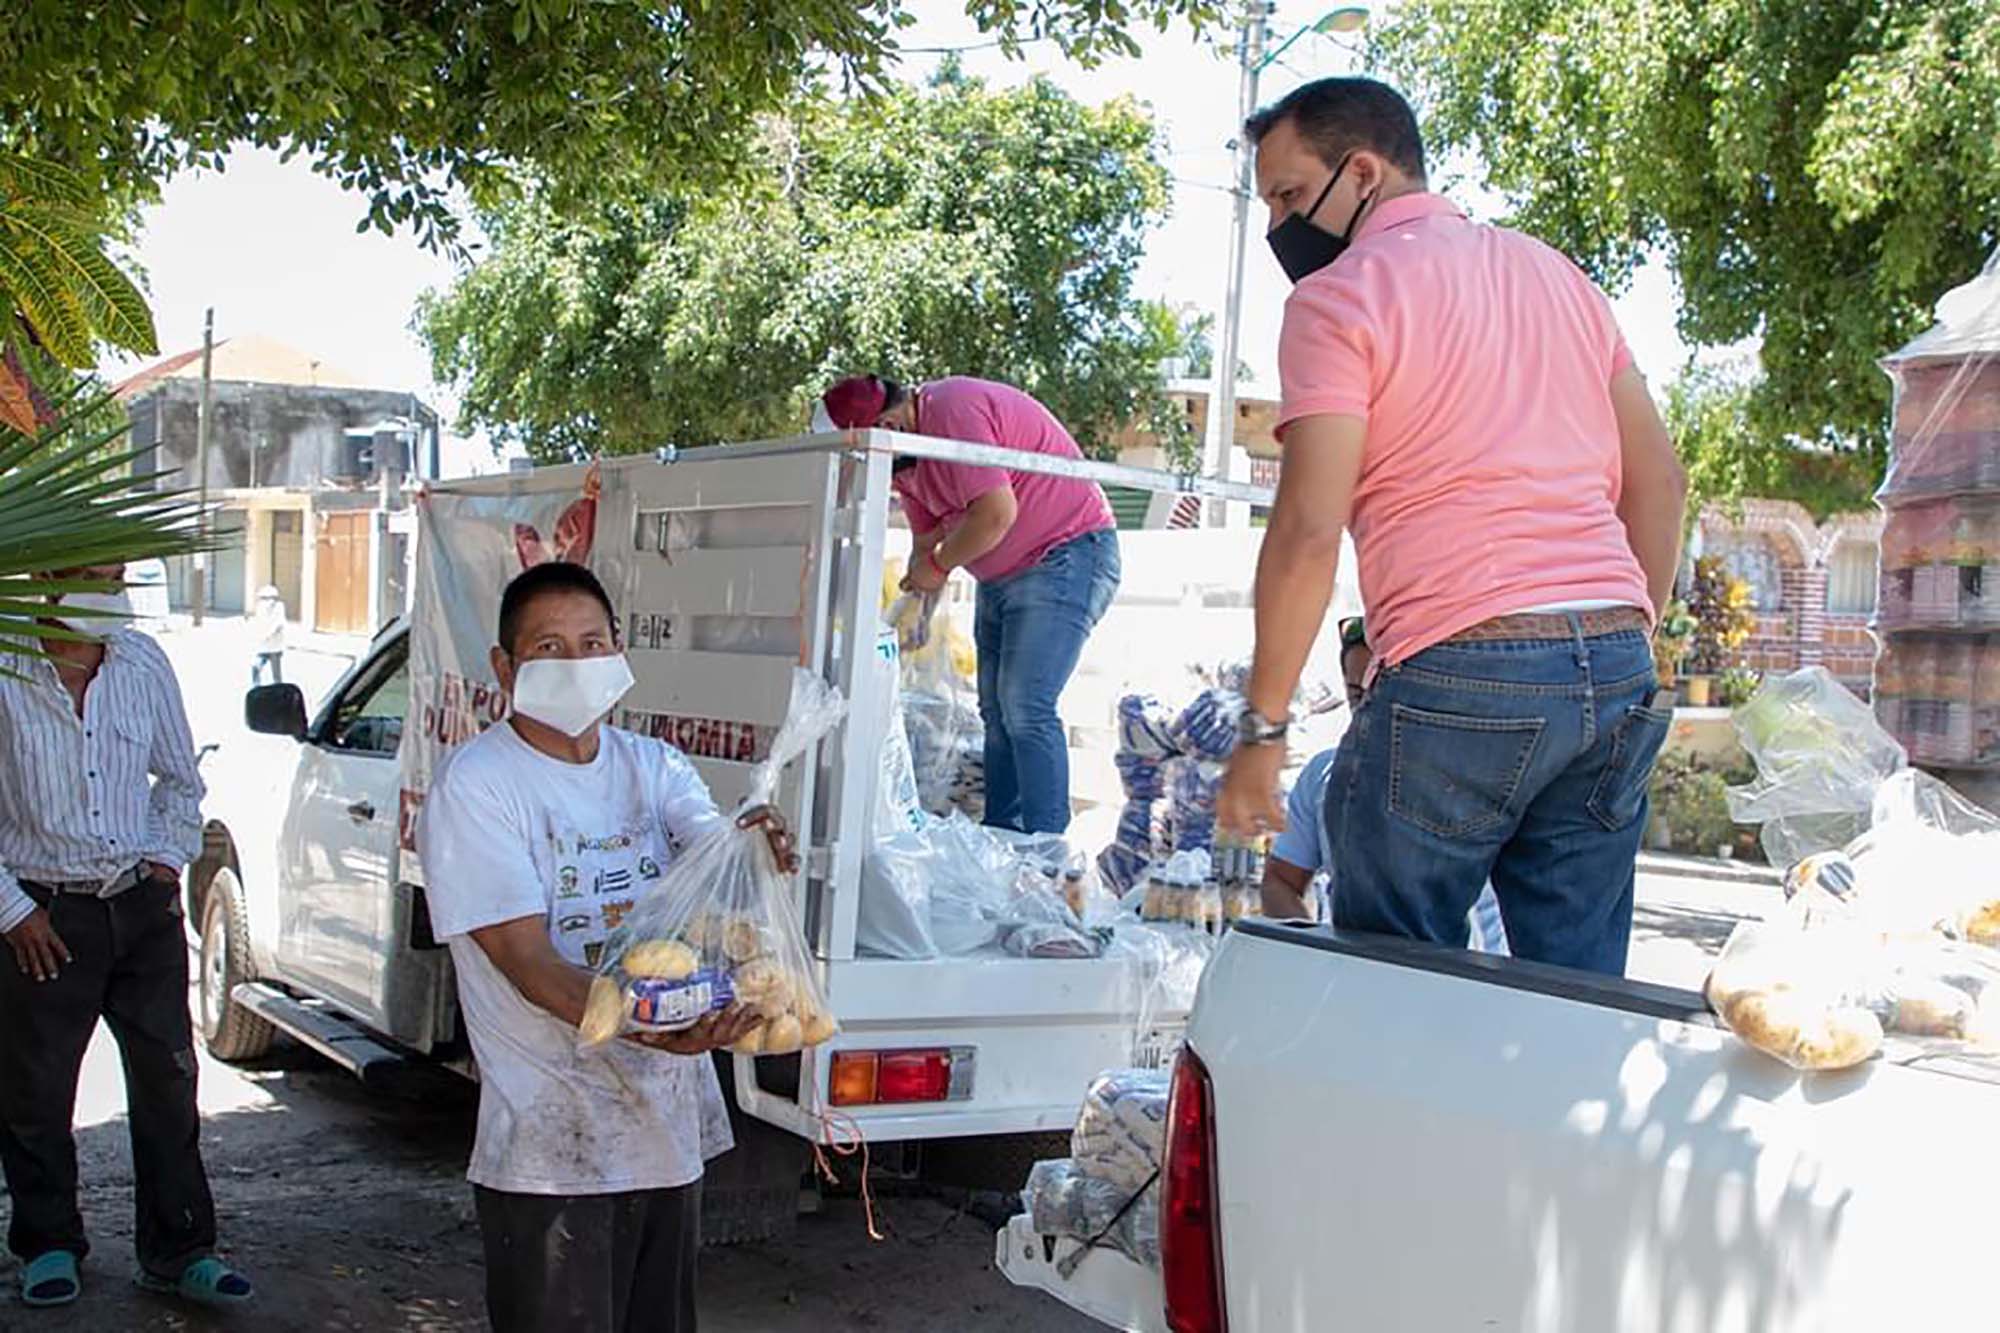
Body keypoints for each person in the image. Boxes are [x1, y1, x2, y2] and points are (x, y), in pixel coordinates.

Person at [1217, 78, 1688, 976]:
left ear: (1361, 172)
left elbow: (1310, 528)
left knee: (1399, 999)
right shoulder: (1557, 276)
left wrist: (1263, 732)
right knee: (1575, 999)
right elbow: (1659, 482)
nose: (1278, 222)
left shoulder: (1339, 299)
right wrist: (1623, 638)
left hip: (1462, 662)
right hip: (1615, 660)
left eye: (1285, 194)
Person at [416, 561, 797, 1333]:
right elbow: (532, 965)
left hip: (663, 1135)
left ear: (620, 652)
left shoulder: (651, 766)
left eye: (593, 643)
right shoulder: (478, 786)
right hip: (549, 1147)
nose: (577, 664)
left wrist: (753, 847)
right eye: (550, 649)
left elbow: (712, 851)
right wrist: (663, 1027)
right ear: (505, 667)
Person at [0, 565, 253, 1311]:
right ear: (47, 576)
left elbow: (179, 779)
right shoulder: (8, 666)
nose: (107, 589)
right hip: (42, 915)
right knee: (36, 1091)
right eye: (89, 574)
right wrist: (14, 911)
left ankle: (180, 1250)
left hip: (138, 906)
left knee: (169, 1078)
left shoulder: (141, 661)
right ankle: (47, 1242)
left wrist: (163, 864)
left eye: (115, 575)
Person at [820, 374, 1121, 835]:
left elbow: (996, 514)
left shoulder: (952, 410)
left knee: (1026, 705)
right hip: (1003, 576)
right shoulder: (909, 462)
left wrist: (937, 569)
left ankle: (1047, 857)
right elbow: (927, 541)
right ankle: (1006, 843)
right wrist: (920, 607)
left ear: (887, 422)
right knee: (997, 713)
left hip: (1067, 552)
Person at [1263, 616, 1508, 955]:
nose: (1368, 708)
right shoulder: (1324, 775)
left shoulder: (1487, 773)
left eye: (1381, 690)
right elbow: (1279, 883)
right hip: (1364, 981)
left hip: (1471, 986)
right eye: (1356, 694)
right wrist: (1315, 952)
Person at [249, 585, 286, 686]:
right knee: (255, 666)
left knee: (276, 677)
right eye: (263, 598)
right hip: (263, 647)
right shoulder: (260, 608)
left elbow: (280, 623)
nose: (267, 601)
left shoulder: (279, 607)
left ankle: (279, 693)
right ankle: (256, 689)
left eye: (269, 598)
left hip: (275, 648)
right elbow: (258, 623)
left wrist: (269, 634)